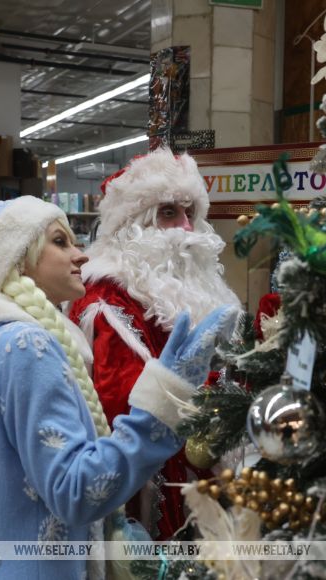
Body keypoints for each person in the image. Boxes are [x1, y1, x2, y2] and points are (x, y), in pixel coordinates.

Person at [0, 196, 236, 579]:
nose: (80, 255)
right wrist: (165, 406)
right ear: (15, 260)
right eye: (60, 242)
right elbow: (77, 492)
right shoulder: (28, 346)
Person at [69, 147, 242, 540]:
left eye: (190, 213)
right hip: (145, 483)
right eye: (168, 213)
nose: (186, 227)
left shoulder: (189, 288)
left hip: (200, 472)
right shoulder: (106, 301)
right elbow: (121, 402)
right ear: (132, 226)